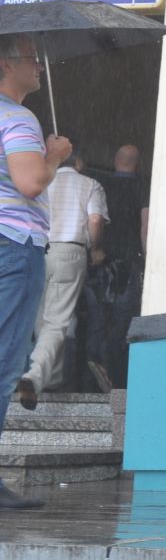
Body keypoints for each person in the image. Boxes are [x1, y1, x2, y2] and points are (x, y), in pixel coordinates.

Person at [0, 34, 72, 510]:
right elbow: (29, 182)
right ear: (6, 62)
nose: (40, 67)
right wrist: (55, 156)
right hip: (13, 247)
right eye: (32, 58)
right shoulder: (17, 116)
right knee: (4, 362)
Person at [20, 146, 107, 401]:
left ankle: (50, 378)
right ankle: (35, 375)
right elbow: (95, 220)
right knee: (57, 321)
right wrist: (97, 248)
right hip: (69, 252)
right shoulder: (90, 184)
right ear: (79, 162)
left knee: (40, 317)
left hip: (37, 250)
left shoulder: (42, 183)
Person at [85, 142, 148, 391]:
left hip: (100, 259)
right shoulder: (143, 186)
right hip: (129, 261)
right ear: (138, 163)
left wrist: (94, 249)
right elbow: (145, 227)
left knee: (97, 318)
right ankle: (113, 368)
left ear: (115, 160)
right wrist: (147, 258)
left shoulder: (100, 185)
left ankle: (91, 367)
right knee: (125, 320)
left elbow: (93, 220)